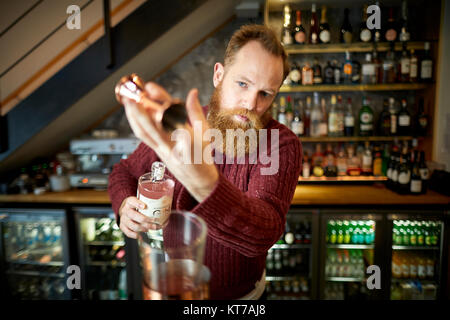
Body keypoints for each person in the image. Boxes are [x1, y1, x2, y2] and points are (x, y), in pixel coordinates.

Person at [108, 24, 302, 300]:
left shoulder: (281, 144)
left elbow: (263, 233)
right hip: (177, 290)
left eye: (265, 93)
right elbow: (124, 171)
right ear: (219, 75)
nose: (250, 103)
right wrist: (124, 205)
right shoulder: (181, 122)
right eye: (243, 84)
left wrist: (204, 182)